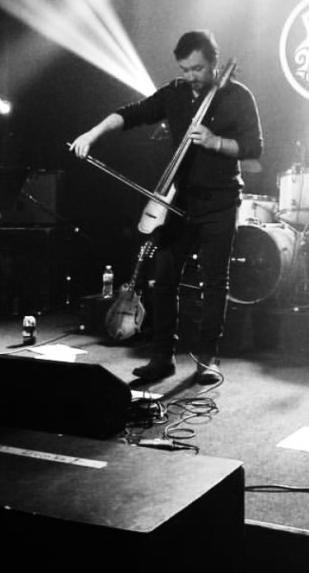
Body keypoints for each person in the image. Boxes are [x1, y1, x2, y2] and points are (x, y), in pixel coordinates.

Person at [70, 30, 263, 384]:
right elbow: (131, 114)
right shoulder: (175, 93)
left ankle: (207, 359)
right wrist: (91, 134)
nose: (191, 76)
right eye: (185, 69)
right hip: (177, 201)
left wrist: (216, 142)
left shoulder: (238, 96)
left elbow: (254, 148)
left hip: (220, 201)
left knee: (214, 283)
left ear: (214, 62)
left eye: (198, 69)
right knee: (164, 279)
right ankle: (162, 358)